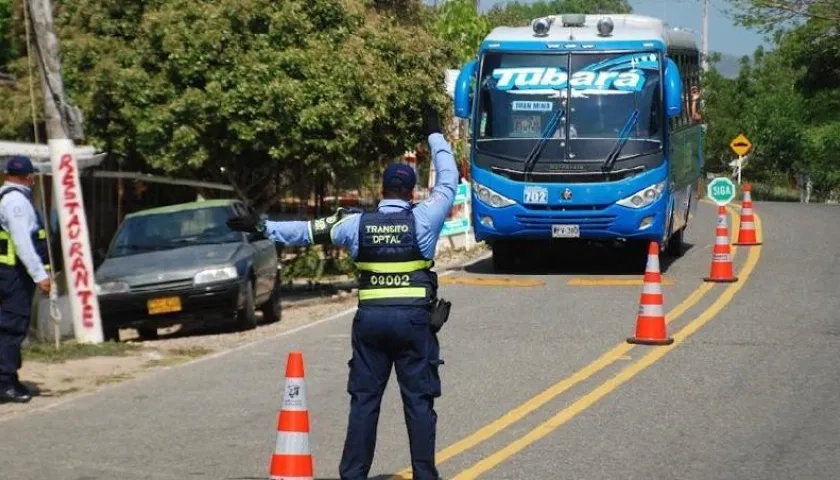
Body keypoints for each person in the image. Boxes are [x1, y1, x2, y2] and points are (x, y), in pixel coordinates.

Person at [226, 105, 457, 480]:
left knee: (365, 403)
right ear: (412, 190)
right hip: (415, 323)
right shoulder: (423, 218)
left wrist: (262, 226)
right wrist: (434, 134)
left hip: (371, 323)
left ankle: (353, 475)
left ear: (382, 190)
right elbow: (448, 180)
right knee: (419, 403)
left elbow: (306, 231)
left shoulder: (354, 224)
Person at [0, 155, 52, 403]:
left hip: (9, 275)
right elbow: (22, 243)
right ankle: (5, 383)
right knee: (12, 327)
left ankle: (10, 378)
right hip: (13, 276)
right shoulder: (16, 203)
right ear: (30, 177)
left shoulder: (8, 197)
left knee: (9, 326)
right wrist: (40, 275)